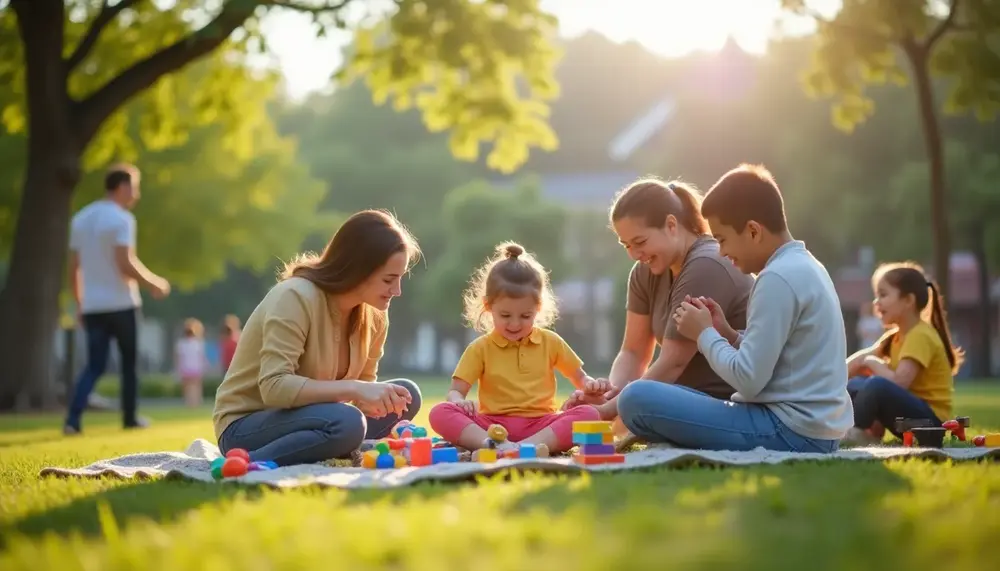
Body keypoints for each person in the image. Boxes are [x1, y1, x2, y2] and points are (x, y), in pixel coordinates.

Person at [622, 163, 853, 452]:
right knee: (656, 396)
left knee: (636, 398)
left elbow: (749, 380)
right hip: (816, 430)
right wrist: (729, 335)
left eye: (722, 239)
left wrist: (705, 334)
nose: (721, 251)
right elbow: (781, 359)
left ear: (753, 231)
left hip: (789, 430)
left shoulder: (776, 279)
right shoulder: (805, 265)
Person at [212, 210, 423, 466]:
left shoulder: (376, 315)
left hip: (316, 419)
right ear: (358, 269)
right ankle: (247, 462)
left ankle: (340, 444)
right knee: (348, 423)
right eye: (389, 279)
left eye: (400, 279)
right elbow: (274, 387)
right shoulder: (295, 297)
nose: (397, 291)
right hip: (247, 425)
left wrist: (374, 399)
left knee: (407, 394)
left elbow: (364, 387)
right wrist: (355, 389)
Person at [561, 178, 754, 426]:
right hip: (682, 398)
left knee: (633, 403)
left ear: (671, 224)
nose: (633, 254)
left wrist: (606, 411)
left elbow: (674, 362)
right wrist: (609, 395)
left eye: (640, 242)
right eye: (626, 245)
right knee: (627, 402)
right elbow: (633, 351)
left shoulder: (706, 265)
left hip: (728, 404)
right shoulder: (645, 271)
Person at [428, 242, 607, 455]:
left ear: (537, 308)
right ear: (488, 306)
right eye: (505, 316)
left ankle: (521, 448)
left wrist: (591, 385)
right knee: (439, 412)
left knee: (588, 414)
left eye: (525, 316)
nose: (515, 324)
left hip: (541, 424)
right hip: (492, 426)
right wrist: (460, 402)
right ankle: (494, 444)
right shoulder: (480, 348)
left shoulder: (551, 342)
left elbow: (581, 379)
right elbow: (456, 391)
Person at [64, 163, 171, 435]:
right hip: (122, 304)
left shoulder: (81, 219)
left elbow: (74, 267)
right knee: (128, 364)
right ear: (122, 187)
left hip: (93, 306)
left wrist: (80, 303)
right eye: (134, 188)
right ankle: (129, 418)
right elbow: (125, 263)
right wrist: (153, 283)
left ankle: (72, 420)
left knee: (94, 365)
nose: (136, 194)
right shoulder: (122, 220)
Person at [841, 262, 962, 445]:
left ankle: (855, 433)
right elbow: (857, 362)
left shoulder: (920, 335)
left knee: (876, 386)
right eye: (876, 296)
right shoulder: (895, 337)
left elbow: (900, 382)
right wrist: (829, 381)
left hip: (930, 424)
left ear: (908, 300)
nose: (876, 302)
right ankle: (860, 431)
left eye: (883, 295)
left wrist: (872, 363)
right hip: (909, 418)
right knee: (856, 384)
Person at [174, 318, 209, 408]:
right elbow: (202, 357)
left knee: (186, 387)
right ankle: (196, 401)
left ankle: (188, 402)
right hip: (196, 368)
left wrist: (178, 368)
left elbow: (178, 357)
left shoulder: (181, 343)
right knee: (197, 387)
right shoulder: (198, 343)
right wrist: (205, 366)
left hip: (185, 368)